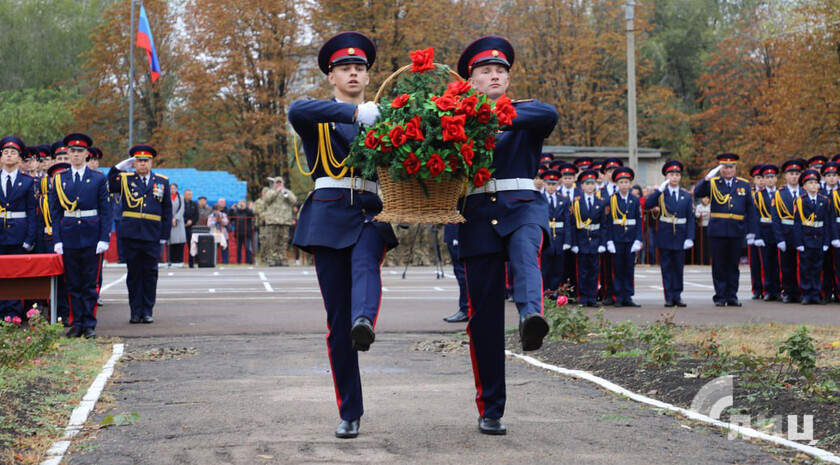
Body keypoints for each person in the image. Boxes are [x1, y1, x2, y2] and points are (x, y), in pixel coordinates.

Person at [288, 31, 398, 439]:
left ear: (368, 77)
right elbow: (296, 109)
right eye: (344, 68)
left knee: (367, 263)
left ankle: (365, 320)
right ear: (331, 77)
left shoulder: (384, 119)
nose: (353, 73)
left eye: (359, 68)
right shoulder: (317, 115)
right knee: (336, 323)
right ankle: (349, 410)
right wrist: (354, 116)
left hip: (369, 211)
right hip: (329, 216)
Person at [455, 35, 558, 436]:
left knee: (525, 251)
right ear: (471, 79)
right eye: (486, 70)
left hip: (522, 206)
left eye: (501, 71)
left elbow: (546, 115)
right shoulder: (453, 120)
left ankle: (531, 315)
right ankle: (491, 408)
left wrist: (489, 114)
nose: (495, 74)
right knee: (482, 317)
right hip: (477, 214)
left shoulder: (526, 111)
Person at [49, 133, 111, 338]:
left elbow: (105, 210)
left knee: (90, 283)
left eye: (80, 151)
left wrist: (104, 238)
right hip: (69, 236)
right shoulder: (60, 179)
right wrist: (57, 239)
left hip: (92, 236)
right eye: (72, 151)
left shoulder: (98, 178)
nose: (76, 155)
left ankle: (89, 324)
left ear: (87, 154)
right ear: (68, 153)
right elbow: (55, 212)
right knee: (73, 282)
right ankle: (76, 323)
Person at [108, 144, 172, 324]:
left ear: (151, 162)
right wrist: (120, 167)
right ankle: (135, 311)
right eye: (139, 161)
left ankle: (148, 310)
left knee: (150, 273)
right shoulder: (126, 179)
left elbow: (167, 211)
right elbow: (110, 183)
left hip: (152, 234)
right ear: (134, 163)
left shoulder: (162, 181)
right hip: (131, 234)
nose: (143, 164)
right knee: (134, 274)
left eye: (146, 161)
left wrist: (164, 235)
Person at [693, 153, 755, 307]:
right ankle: (720, 296)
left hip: (736, 229)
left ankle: (732, 296)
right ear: (721, 169)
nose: (728, 170)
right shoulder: (713, 183)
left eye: (731, 167)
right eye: (725, 167)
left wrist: (751, 231)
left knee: (733, 265)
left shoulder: (744, 184)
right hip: (718, 230)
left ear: (735, 168)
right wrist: (707, 178)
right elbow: (698, 193)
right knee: (719, 265)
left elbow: (750, 209)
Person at [646, 161, 694, 307]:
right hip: (666, 235)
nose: (674, 177)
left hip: (680, 235)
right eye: (671, 175)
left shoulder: (685, 196)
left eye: (677, 175)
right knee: (666, 268)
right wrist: (658, 191)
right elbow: (648, 204)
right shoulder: (661, 194)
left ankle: (677, 295)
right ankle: (668, 296)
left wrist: (690, 238)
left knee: (678, 268)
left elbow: (690, 219)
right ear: (666, 176)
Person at [0, 136, 37, 320]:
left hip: (18, 234)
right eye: (5, 152)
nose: (8, 156)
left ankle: (13, 313)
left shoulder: (27, 182)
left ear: (19, 159)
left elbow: (31, 212)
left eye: (13, 153)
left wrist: (30, 238)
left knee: (15, 274)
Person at [794, 169, 836, 305]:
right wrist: (798, 242)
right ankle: (806, 293)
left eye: (815, 183)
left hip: (819, 238)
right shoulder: (800, 201)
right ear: (804, 186)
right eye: (810, 183)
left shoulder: (825, 200)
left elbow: (828, 222)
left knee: (818, 268)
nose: (813, 186)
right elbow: (797, 223)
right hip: (806, 239)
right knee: (805, 267)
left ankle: (816, 293)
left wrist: (826, 241)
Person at [570, 169, 607, 307]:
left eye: (592, 183)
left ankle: (592, 297)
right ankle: (583, 297)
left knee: (594, 271)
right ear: (582, 186)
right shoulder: (577, 203)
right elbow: (573, 225)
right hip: (582, 240)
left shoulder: (600, 202)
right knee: (582, 272)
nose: (590, 186)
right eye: (587, 183)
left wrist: (603, 242)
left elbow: (604, 225)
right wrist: (574, 243)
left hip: (596, 240)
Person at [605, 166, 642, 307]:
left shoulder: (635, 200)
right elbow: (608, 223)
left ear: (630, 183)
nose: (624, 185)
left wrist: (638, 239)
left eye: (626, 182)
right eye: (621, 182)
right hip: (617, 239)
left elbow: (638, 221)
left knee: (629, 269)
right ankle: (619, 296)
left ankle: (628, 296)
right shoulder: (612, 200)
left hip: (630, 239)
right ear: (617, 184)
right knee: (618, 269)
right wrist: (609, 241)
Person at [772, 159, 806, 303]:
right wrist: (779, 239)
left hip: (803, 234)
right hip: (786, 233)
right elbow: (776, 218)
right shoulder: (779, 194)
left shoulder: (805, 192)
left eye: (797, 173)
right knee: (786, 266)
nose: (794, 176)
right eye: (791, 173)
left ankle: (800, 291)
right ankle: (788, 291)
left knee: (802, 265)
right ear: (785, 176)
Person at [540, 169, 571, 295]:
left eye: (553, 184)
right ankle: (544, 293)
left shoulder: (563, 199)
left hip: (559, 238)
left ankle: (554, 293)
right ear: (544, 184)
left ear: (557, 185)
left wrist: (568, 240)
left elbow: (568, 221)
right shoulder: (539, 199)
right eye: (549, 184)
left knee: (557, 269)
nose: (551, 187)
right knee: (545, 268)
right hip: (545, 237)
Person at [754, 164, 781, 301]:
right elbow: (755, 216)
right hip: (765, 230)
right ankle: (768, 290)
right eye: (767, 177)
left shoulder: (781, 194)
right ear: (763, 180)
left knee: (778, 263)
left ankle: (778, 289)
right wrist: (757, 235)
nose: (770, 180)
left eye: (772, 177)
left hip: (779, 231)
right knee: (766, 263)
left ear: (776, 179)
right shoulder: (758, 195)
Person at [260, 177, 297, 266]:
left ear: (283, 183)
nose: (279, 184)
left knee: (283, 241)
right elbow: (266, 200)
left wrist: (285, 193)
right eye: (277, 183)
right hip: (273, 220)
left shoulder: (287, 192)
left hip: (284, 221)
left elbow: (293, 201)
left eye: (280, 183)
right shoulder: (270, 192)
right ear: (274, 184)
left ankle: (282, 259)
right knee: (272, 241)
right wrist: (276, 192)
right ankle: (272, 259)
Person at [442, 224, 470, 322]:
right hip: (455, 230)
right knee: (461, 272)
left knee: (462, 272)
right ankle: (466, 307)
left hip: (458, 231)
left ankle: (466, 308)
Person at [821, 162, 840, 301]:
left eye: (834, 175)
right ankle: (826, 293)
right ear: (824, 177)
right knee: (825, 263)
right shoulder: (820, 192)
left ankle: (838, 293)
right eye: (829, 176)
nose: (832, 178)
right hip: (823, 232)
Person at [747, 164, 765, 299]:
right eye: (758, 178)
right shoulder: (749, 194)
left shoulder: (772, 193)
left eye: (762, 178)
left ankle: (767, 288)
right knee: (755, 262)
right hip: (753, 231)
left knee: (768, 262)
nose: (761, 181)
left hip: (766, 230)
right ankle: (757, 288)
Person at [230, 199, 255, 264]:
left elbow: (252, 214)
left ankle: (248, 261)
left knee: (248, 248)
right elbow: (231, 217)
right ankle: (238, 261)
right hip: (238, 233)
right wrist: (232, 209)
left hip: (247, 233)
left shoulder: (247, 212)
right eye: (240, 204)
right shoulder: (236, 212)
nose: (241, 205)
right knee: (238, 248)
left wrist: (246, 208)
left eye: (242, 204)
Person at [169, 183, 186, 265]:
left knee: (180, 241)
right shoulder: (167, 197)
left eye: (174, 188)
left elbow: (182, 209)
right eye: (171, 188)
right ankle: (173, 260)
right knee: (172, 242)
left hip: (179, 221)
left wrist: (176, 218)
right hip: (170, 221)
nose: (173, 190)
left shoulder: (181, 197)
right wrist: (171, 218)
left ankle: (180, 260)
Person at [183, 188, 199, 267]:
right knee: (181, 245)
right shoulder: (181, 203)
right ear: (184, 195)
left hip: (191, 227)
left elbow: (196, 215)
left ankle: (191, 263)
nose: (189, 196)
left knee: (191, 245)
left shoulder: (194, 204)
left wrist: (191, 221)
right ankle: (180, 262)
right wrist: (185, 221)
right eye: (188, 194)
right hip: (182, 227)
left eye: (191, 194)